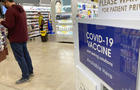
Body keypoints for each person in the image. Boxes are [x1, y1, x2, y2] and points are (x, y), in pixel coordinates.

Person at [0, 0, 34, 84]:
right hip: (23, 36)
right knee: (26, 55)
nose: (4, 5)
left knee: (20, 57)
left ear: (7, 1)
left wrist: (1, 21)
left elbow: (10, 25)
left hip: (16, 38)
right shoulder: (20, 8)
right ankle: (30, 71)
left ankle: (25, 76)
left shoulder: (10, 11)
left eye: (3, 3)